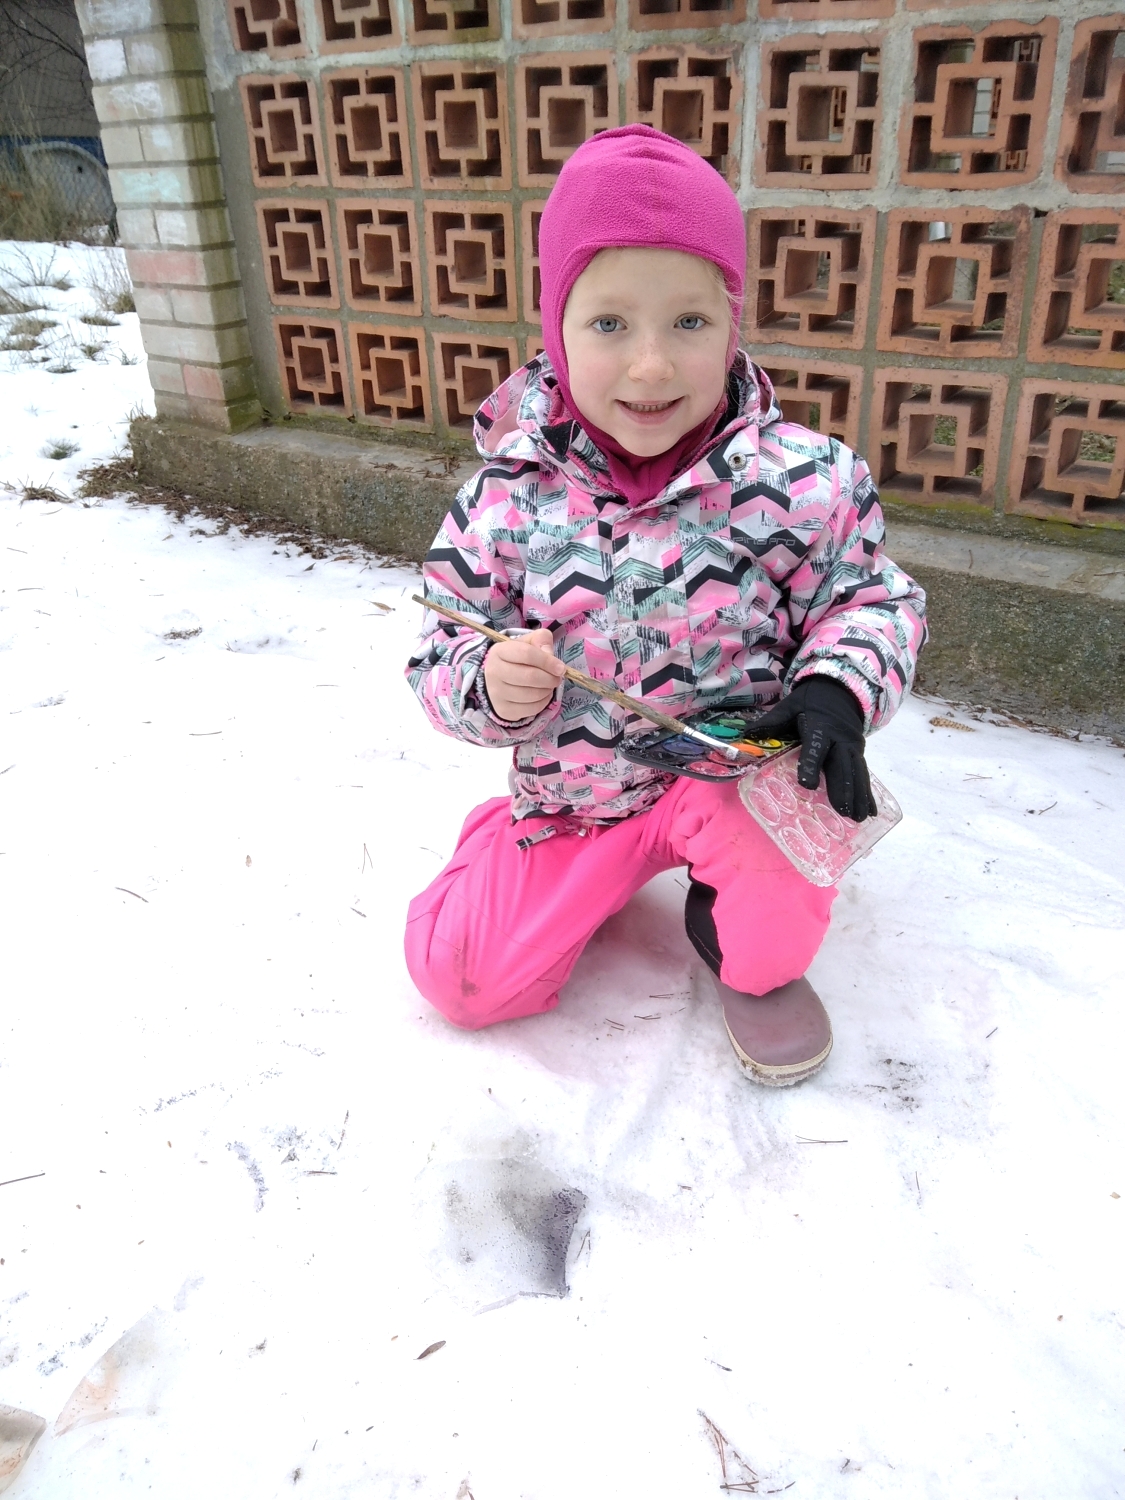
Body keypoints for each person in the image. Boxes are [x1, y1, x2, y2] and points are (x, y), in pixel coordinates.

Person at [404, 125, 926, 1086]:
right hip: (578, 798)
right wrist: (488, 684)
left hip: (735, 781)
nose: (650, 367)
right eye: (609, 325)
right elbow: (441, 644)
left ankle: (728, 920)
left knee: (766, 952)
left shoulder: (802, 481)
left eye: (687, 322)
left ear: (732, 323)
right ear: (555, 327)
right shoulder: (505, 499)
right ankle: (521, 853)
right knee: (463, 981)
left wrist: (835, 689)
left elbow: (870, 600)